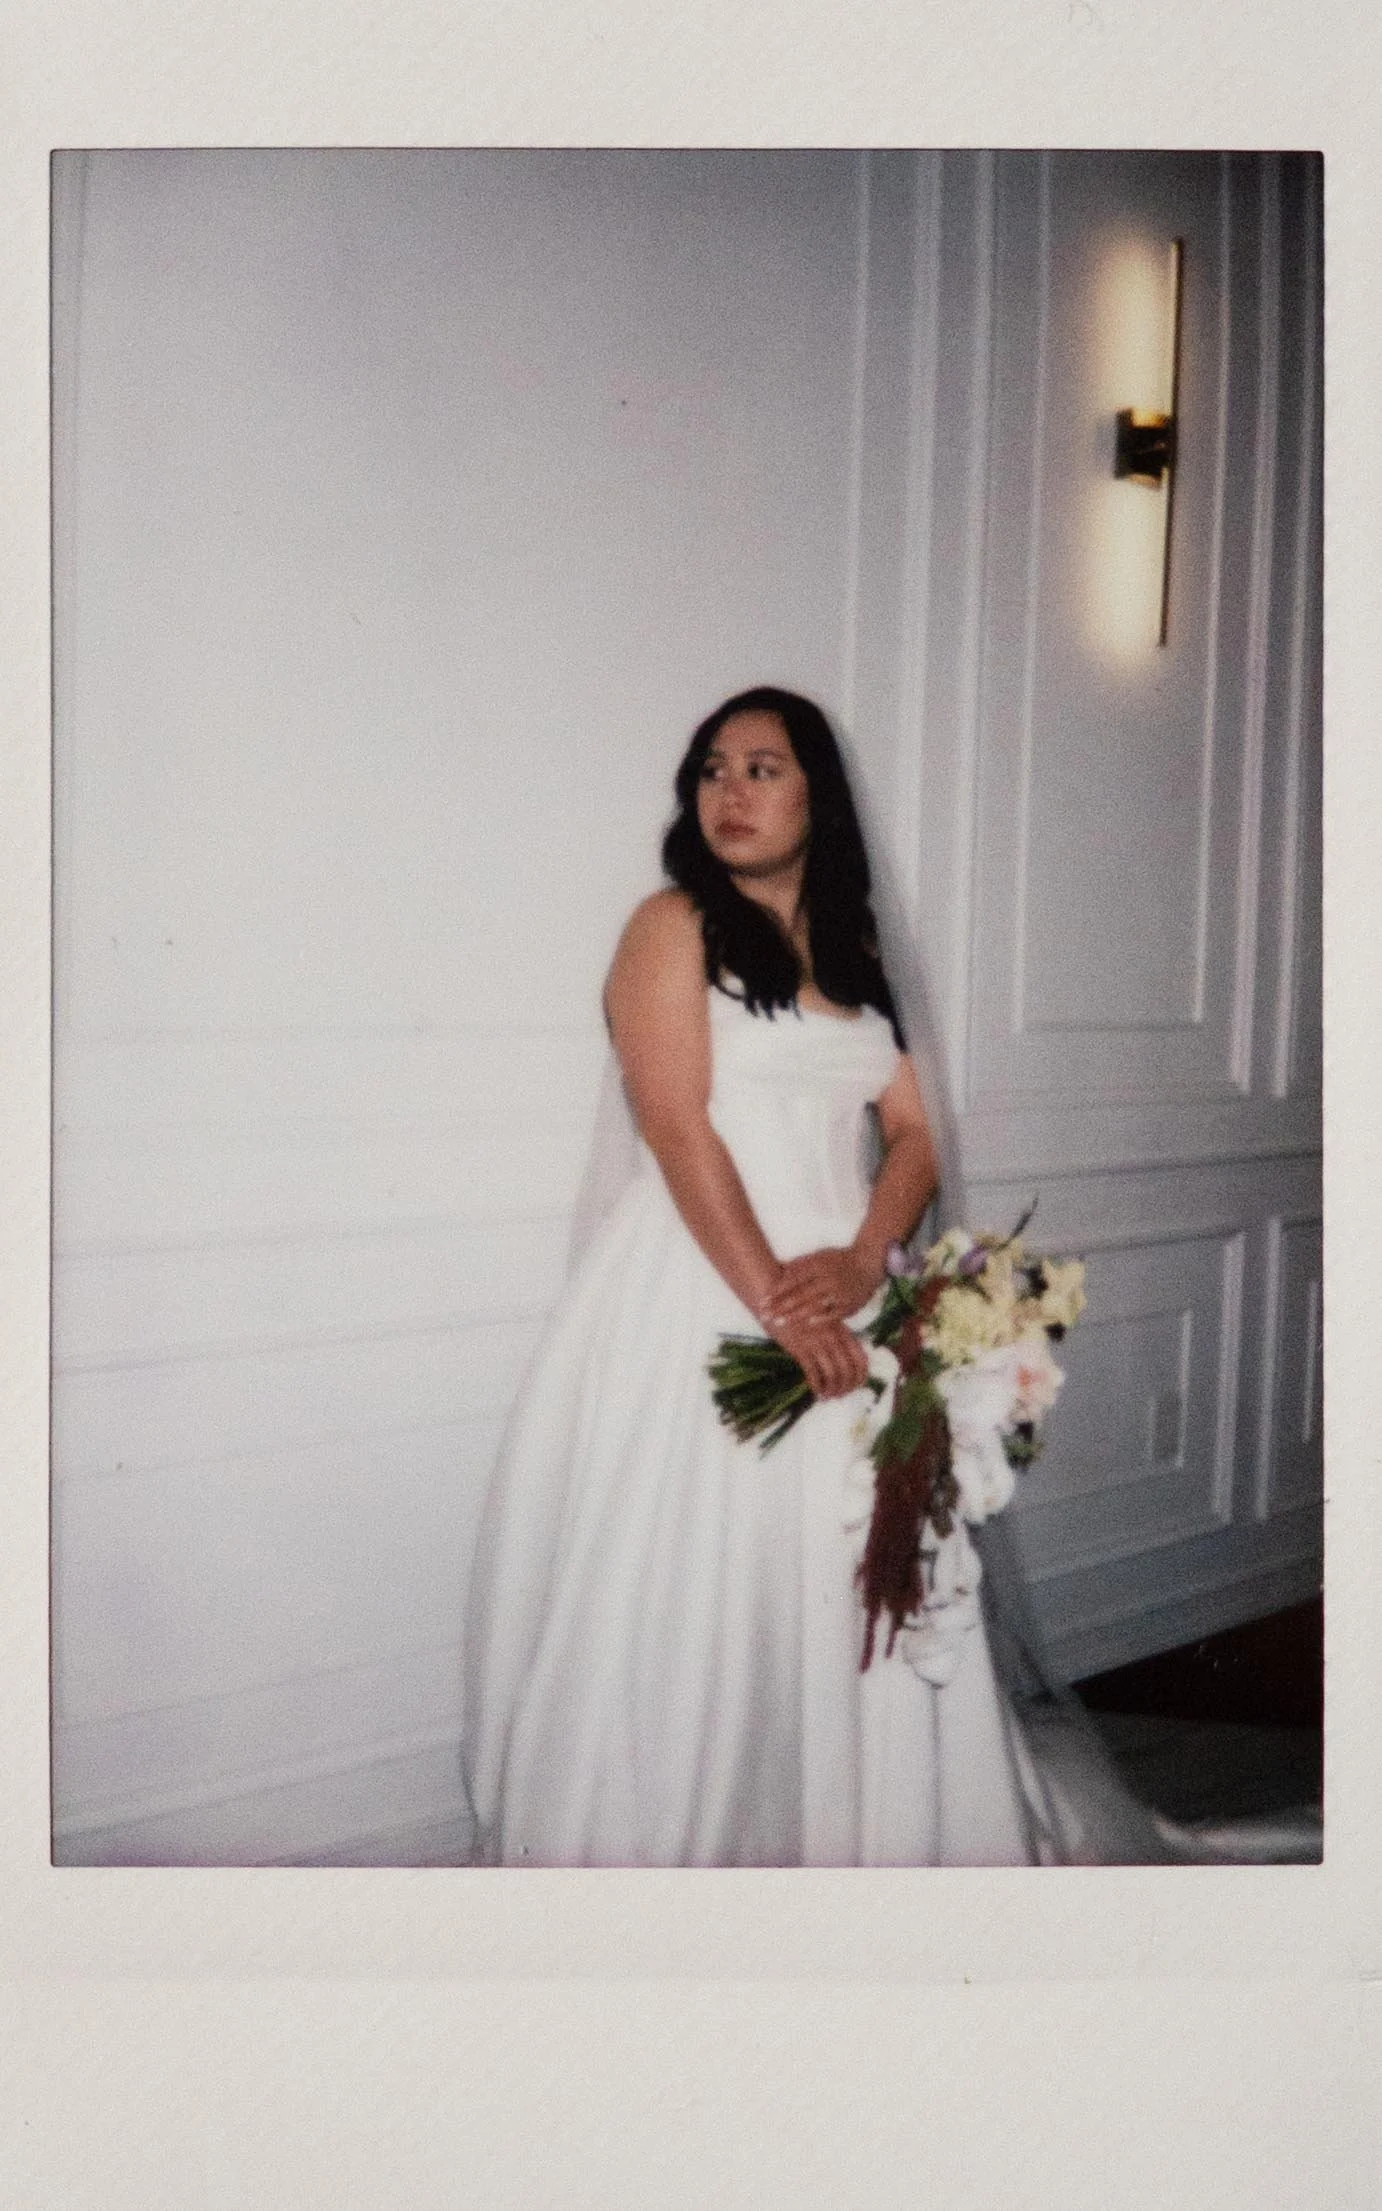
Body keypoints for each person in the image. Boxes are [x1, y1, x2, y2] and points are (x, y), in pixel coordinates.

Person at [460, 687, 1320, 1867]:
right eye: (711, 769)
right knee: (702, 1587)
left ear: (819, 793)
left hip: (842, 1283)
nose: (729, 792)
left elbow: (912, 1133)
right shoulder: (669, 925)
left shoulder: (854, 949)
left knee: (861, 1572)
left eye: (762, 768)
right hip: (702, 1284)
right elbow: (675, 1128)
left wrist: (864, 1261)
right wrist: (777, 1303)